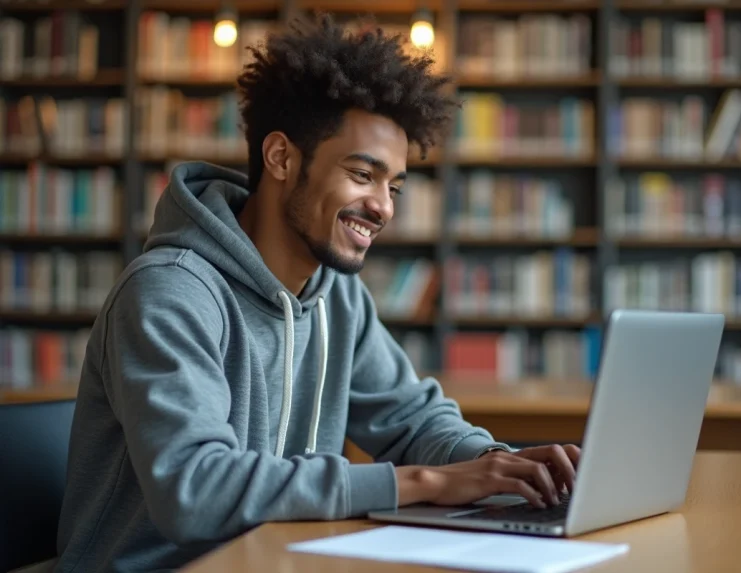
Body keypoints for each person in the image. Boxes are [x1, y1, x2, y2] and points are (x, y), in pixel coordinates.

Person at [54, 15, 581, 573]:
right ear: (281, 158)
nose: (384, 207)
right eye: (362, 174)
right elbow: (195, 490)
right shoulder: (169, 292)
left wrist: (499, 464)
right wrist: (427, 482)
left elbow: (413, 419)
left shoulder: (337, 297)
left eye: (394, 185)